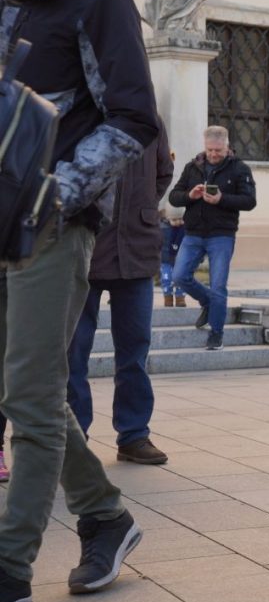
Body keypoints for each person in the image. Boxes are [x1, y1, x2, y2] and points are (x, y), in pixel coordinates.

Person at [0, 0, 157, 602]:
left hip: (48, 225)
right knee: (23, 393)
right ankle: (104, 517)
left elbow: (133, 117)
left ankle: (8, 572)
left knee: (28, 397)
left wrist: (54, 194)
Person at [65, 120, 173, 466]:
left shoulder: (149, 120)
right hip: (86, 247)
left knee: (135, 349)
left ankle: (134, 434)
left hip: (137, 248)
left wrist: (138, 208)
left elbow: (163, 173)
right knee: (73, 352)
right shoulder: (82, 109)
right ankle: (74, 437)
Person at [168, 126, 257, 350]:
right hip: (193, 233)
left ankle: (216, 333)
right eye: (210, 150)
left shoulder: (240, 169)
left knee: (219, 286)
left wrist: (221, 199)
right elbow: (173, 197)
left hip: (222, 235)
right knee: (179, 276)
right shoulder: (193, 167)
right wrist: (190, 195)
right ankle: (207, 302)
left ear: (227, 147)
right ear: (204, 146)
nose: (214, 154)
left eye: (218, 150)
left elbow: (249, 201)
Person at [159, 197, 186, 307]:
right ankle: (168, 297)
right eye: (174, 220)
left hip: (181, 259)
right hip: (165, 259)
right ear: (167, 218)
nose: (178, 222)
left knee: (181, 278)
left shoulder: (185, 229)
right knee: (166, 278)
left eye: (180, 219)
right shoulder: (162, 228)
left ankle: (180, 298)